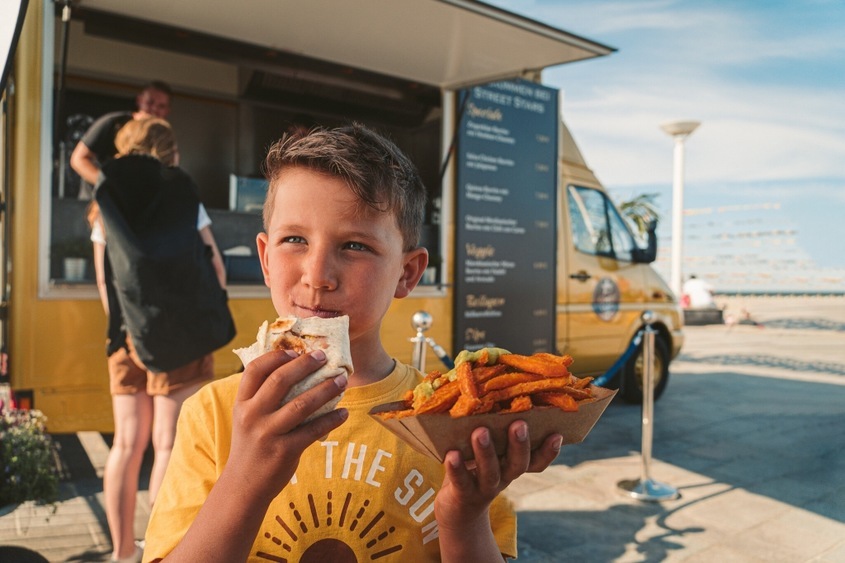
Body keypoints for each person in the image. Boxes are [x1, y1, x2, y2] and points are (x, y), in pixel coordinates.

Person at [143, 124, 564, 562]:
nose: (318, 274)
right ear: (266, 259)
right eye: (294, 240)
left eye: (354, 245)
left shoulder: (447, 421)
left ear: (407, 273)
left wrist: (463, 516)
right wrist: (246, 476)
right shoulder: (212, 416)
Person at [89, 118, 227, 563]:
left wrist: (130, 333)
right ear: (170, 155)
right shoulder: (182, 198)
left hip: (126, 336)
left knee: (126, 445)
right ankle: (159, 549)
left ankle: (122, 551)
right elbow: (217, 268)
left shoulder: (105, 204)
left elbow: (105, 285)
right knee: (169, 444)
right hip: (179, 340)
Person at [71, 80, 172, 200]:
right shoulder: (112, 122)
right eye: (150, 102)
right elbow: (78, 159)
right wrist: (108, 184)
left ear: (167, 111)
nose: (154, 109)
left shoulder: (163, 137)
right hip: (96, 203)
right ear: (139, 100)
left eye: (161, 106)